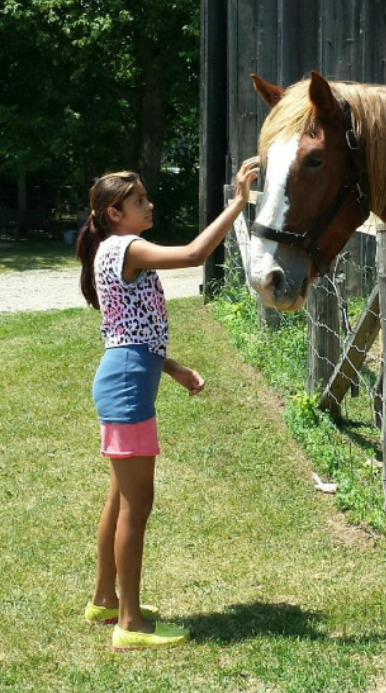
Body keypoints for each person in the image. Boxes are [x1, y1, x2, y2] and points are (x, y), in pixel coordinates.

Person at [75, 159, 260, 650]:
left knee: (119, 498)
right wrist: (239, 202)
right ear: (115, 212)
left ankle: (105, 600)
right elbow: (197, 254)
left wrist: (173, 369)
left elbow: (132, 331)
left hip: (125, 378)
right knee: (137, 505)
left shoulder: (111, 247)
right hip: (128, 387)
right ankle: (130, 625)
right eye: (139, 201)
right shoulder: (126, 246)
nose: (149, 204)